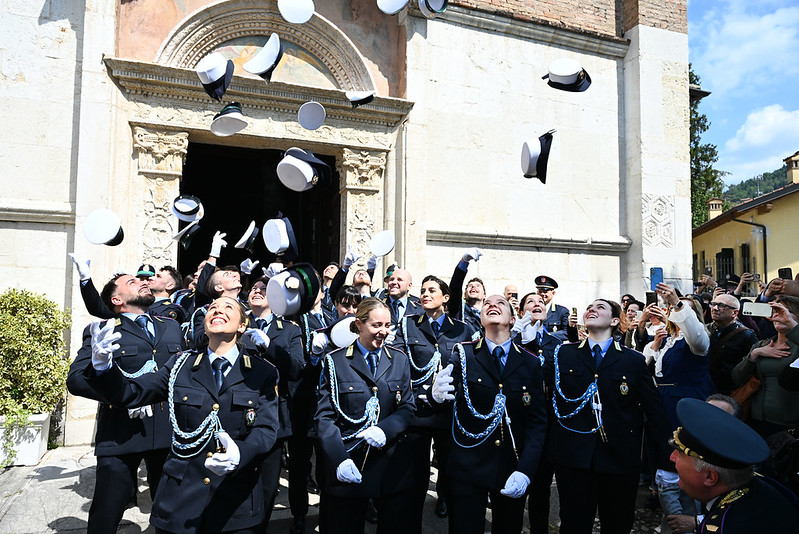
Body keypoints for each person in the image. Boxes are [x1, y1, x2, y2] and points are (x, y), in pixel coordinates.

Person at [79, 296, 280, 533]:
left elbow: (266, 429)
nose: (218, 311)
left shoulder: (262, 372)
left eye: (228, 307)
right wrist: (103, 368)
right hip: (180, 500)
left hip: (236, 502)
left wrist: (241, 454)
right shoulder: (179, 365)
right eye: (212, 308)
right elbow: (132, 392)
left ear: (242, 326)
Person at [66, 273, 186, 534]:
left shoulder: (172, 326)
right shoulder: (103, 330)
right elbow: (75, 380)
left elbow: (184, 374)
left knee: (172, 509)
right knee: (107, 510)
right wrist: (122, 395)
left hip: (167, 432)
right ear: (116, 299)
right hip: (121, 433)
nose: (143, 282)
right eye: (132, 282)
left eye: (142, 281)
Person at [547, 298, 671, 534]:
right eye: (589, 307)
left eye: (600, 307)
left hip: (619, 459)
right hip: (574, 459)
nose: (591, 309)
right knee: (573, 524)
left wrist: (665, 463)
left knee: (617, 523)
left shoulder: (632, 360)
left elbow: (655, 412)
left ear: (615, 321)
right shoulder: (564, 355)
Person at [432, 295, 547, 534]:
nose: (492, 305)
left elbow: (537, 422)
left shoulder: (531, 363)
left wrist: (525, 470)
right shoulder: (463, 355)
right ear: (482, 319)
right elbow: (448, 408)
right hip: (468, 466)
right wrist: (437, 397)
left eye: (500, 303)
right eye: (487, 304)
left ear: (513, 320)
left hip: (510, 466)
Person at [314, 298, 416, 534]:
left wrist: (385, 429)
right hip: (351, 461)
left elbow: (408, 407)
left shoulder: (399, 359)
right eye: (376, 325)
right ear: (359, 324)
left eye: (387, 325)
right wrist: (339, 459)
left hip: (391, 466)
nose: (383, 332)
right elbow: (324, 418)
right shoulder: (335, 361)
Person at [392, 275, 474, 527]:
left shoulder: (463, 328)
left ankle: (444, 500)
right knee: (415, 478)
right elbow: (399, 366)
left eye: (432, 290)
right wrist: (424, 394)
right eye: (423, 290)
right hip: (419, 411)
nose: (425, 294)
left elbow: (469, 369)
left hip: (450, 413)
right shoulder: (407, 326)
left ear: (446, 298)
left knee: (451, 474)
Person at [670, 398, 799, 533]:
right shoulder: (759, 487)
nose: (672, 457)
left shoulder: (727, 527)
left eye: (680, 454)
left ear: (709, 477)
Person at [246, 276, 306, 533]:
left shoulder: (290, 330)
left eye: (264, 289)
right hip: (237, 408)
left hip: (274, 412)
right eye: (254, 289)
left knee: (269, 483)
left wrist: (269, 346)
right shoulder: (236, 321)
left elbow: (296, 369)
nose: (257, 291)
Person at [510, 292, 565, 534]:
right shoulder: (513, 341)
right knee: (516, 482)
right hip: (519, 419)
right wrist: (522, 340)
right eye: (530, 302)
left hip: (548, 421)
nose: (537, 304)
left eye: (541, 302)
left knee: (541, 486)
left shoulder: (555, 344)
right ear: (521, 311)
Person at [731, 296, 799, 439]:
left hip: (789, 424)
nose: (780, 315)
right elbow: (737, 377)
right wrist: (755, 354)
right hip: (755, 418)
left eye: (787, 312)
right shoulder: (762, 344)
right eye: (776, 311)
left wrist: (792, 325)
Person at [707, 293, 759, 395]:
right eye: (713, 304)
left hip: (730, 391)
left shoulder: (746, 335)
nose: (715, 308)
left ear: (735, 313)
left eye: (722, 306)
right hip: (706, 387)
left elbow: (751, 368)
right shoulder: (705, 329)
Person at [447, 248, 484, 334]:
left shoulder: (489, 312)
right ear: (465, 294)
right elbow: (455, 288)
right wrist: (464, 261)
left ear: (484, 294)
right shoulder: (459, 310)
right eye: (470, 286)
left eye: (478, 286)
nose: (473, 287)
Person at [535, 276, 570, 341]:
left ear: (553, 293)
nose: (542, 294)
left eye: (545, 292)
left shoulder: (562, 311)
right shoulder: (531, 310)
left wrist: (547, 336)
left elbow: (567, 333)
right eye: (540, 291)